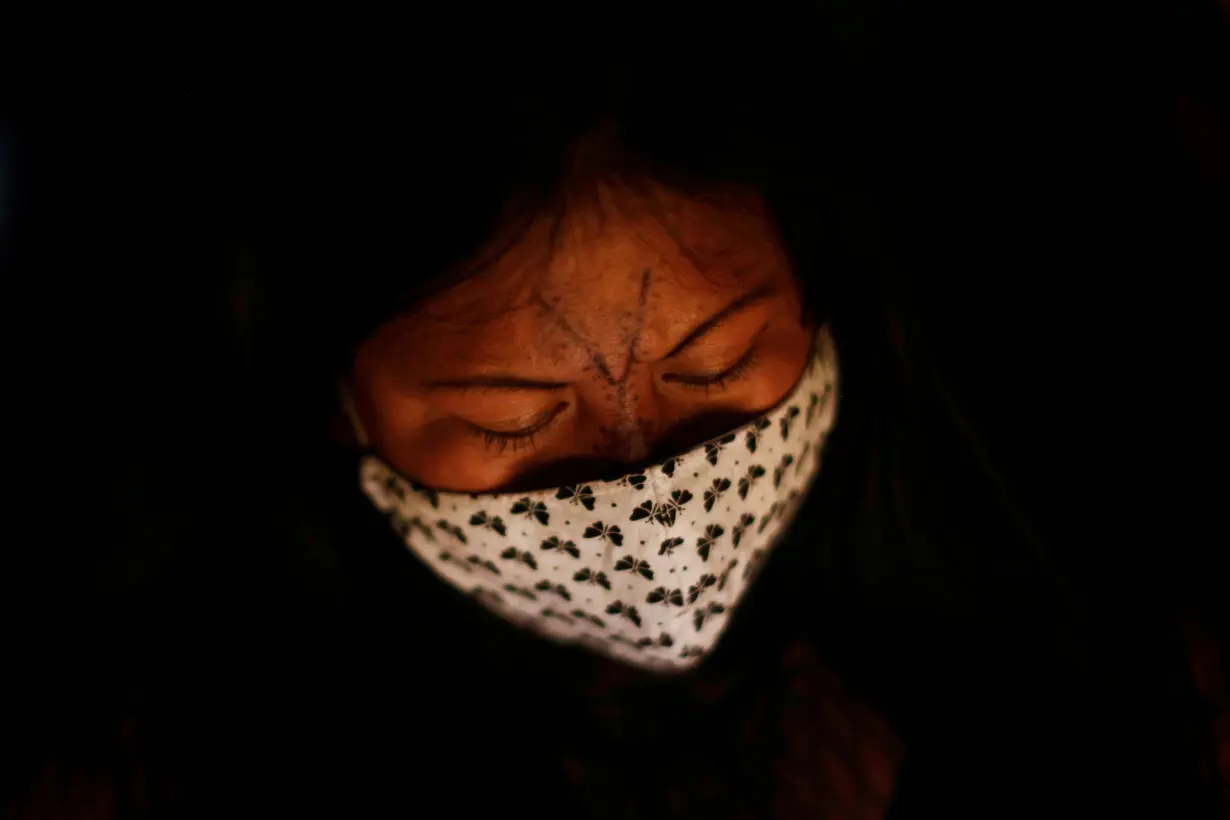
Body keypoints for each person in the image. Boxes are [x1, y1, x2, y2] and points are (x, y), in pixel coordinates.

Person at [4, 1, 1227, 818]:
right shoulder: (149, 756)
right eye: (511, 424)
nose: (649, 503)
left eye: (712, 374)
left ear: (816, 290)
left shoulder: (1078, 623)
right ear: (335, 401)